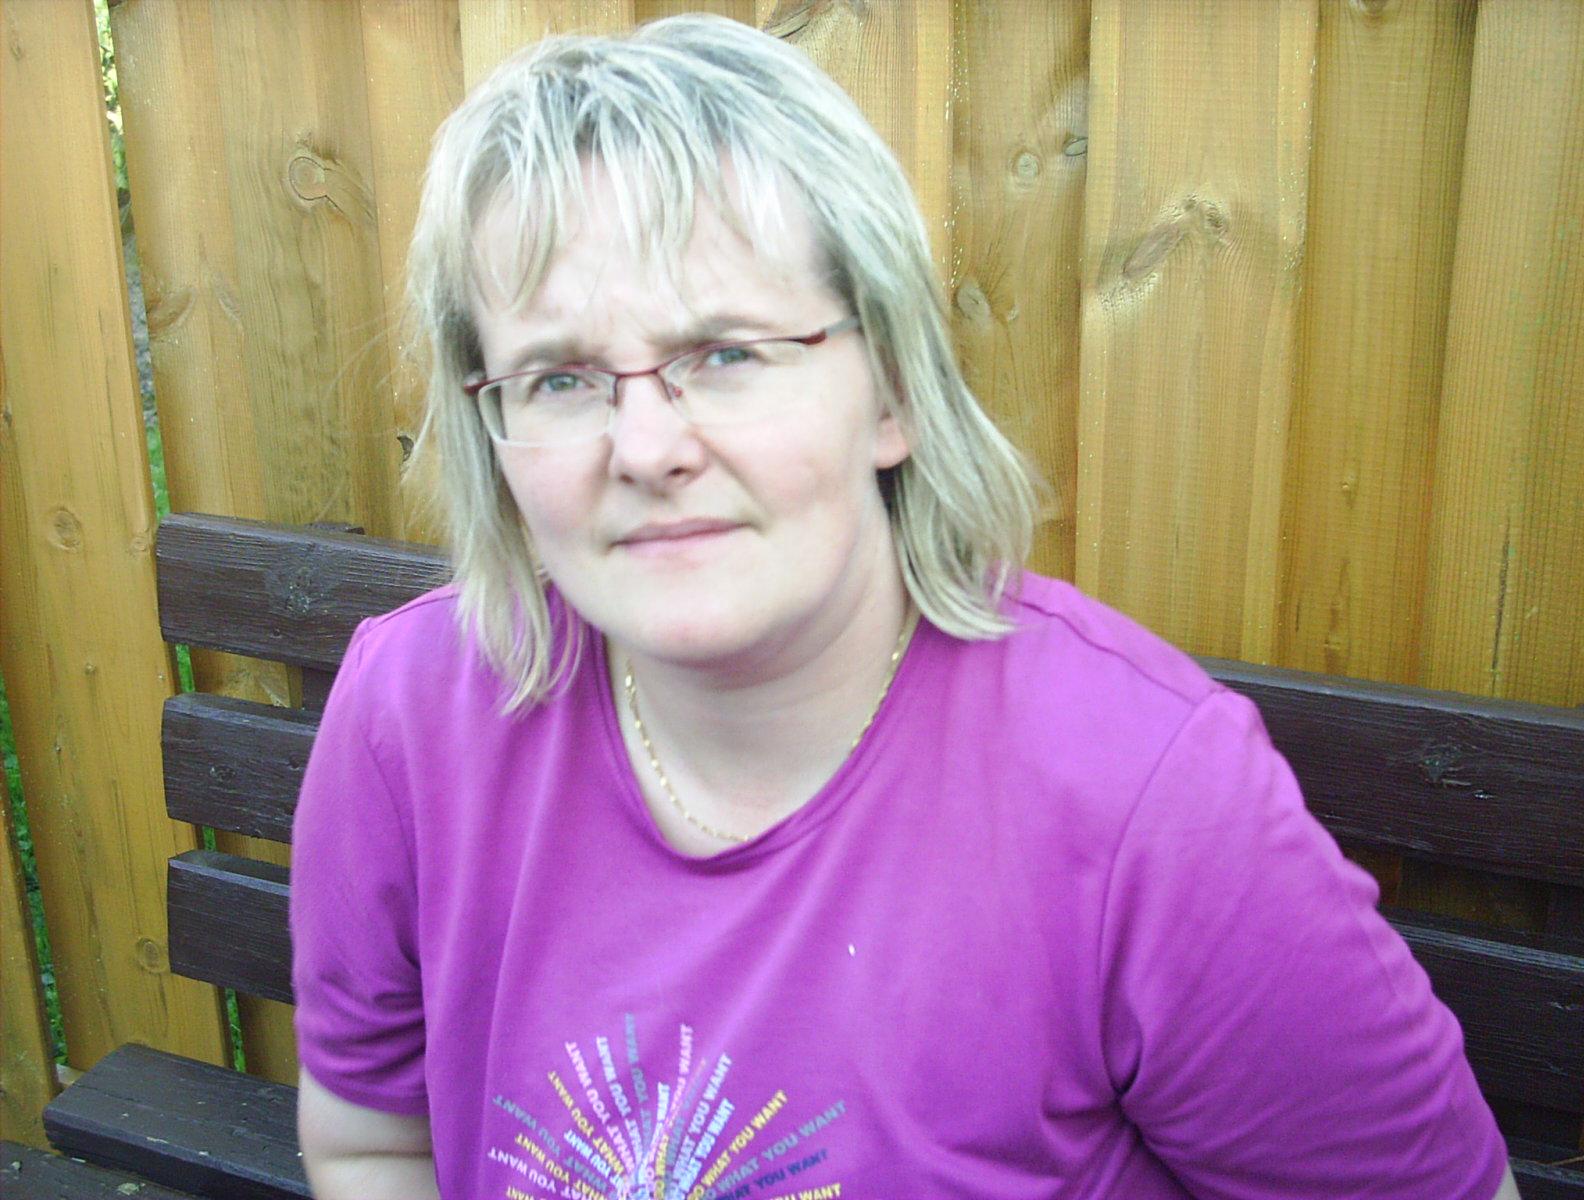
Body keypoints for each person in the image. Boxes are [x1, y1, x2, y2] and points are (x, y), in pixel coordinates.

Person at [290, 15, 1517, 1200]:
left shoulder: (1149, 802)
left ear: (891, 390)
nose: (647, 446)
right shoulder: (412, 712)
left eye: (726, 353)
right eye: (560, 377)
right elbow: (372, 1147)